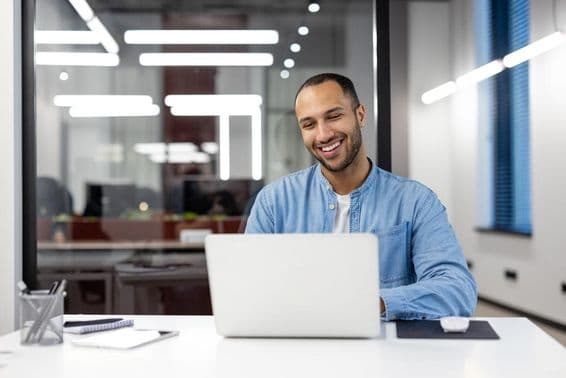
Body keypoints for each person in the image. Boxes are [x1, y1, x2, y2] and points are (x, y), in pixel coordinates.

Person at [245, 73, 477, 320]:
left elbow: (457, 290)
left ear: (360, 115)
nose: (323, 135)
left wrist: (373, 303)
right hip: (299, 348)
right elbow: (247, 289)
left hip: (386, 351)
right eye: (309, 124)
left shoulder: (415, 202)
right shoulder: (273, 202)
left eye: (333, 116)